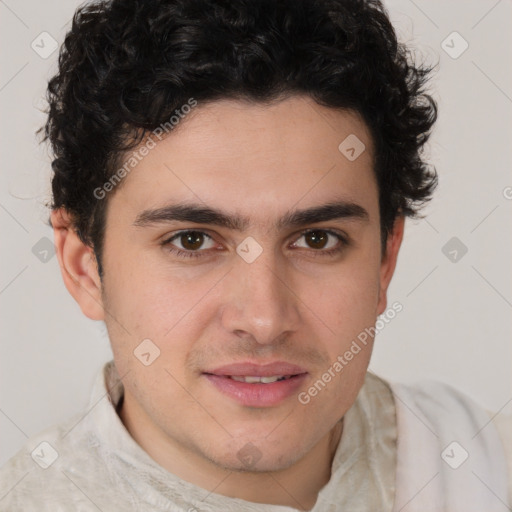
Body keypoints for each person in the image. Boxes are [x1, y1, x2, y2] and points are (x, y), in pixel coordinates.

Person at [1, 0, 510, 510]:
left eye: (317, 239)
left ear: (385, 260)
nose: (264, 320)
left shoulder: (483, 471)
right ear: (84, 267)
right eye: (192, 241)